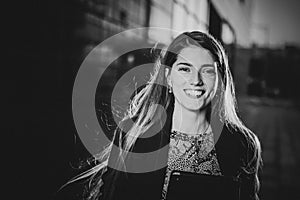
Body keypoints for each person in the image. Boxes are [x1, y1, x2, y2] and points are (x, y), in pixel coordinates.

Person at [70, 31, 262, 200]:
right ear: (169, 78)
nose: (196, 80)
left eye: (207, 71)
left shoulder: (242, 144)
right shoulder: (134, 134)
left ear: (219, 81)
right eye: (185, 69)